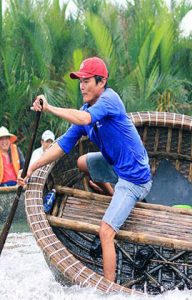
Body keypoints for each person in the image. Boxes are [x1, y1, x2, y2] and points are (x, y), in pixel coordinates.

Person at [18, 56, 152, 282]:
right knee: (81, 162)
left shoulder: (110, 100)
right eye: (80, 81)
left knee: (106, 232)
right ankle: (113, 195)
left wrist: (49, 107)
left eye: (87, 81)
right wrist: (31, 167)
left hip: (135, 179)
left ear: (101, 82)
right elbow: (61, 146)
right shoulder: (86, 109)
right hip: (115, 167)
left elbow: (85, 117)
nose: (81, 86)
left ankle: (109, 291)